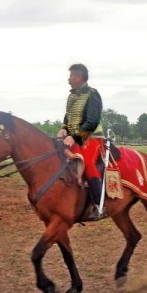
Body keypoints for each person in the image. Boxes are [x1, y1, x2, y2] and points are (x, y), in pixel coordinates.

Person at [56, 64, 105, 219]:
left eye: (71, 76)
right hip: (72, 138)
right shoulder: (72, 96)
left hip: (92, 137)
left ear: (79, 76)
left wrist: (75, 137)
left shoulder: (92, 94)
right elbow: (68, 117)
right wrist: (64, 128)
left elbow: (92, 121)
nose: (68, 79)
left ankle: (99, 205)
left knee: (88, 163)